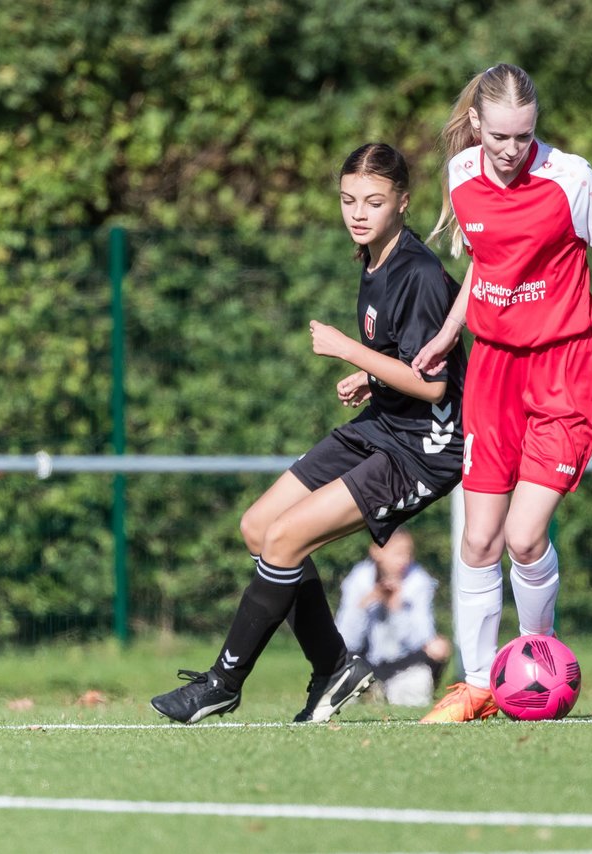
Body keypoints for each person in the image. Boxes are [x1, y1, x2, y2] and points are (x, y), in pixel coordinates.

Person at [151, 142, 466, 724]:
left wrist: (352, 351)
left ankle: (224, 681)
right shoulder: (372, 259)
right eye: (348, 200)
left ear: (403, 201)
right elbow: (407, 360)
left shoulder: (418, 272)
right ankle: (334, 668)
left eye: (374, 201)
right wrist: (370, 378)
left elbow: (435, 388)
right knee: (259, 528)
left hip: (424, 449)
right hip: (385, 423)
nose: (358, 213)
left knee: (286, 540)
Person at [411, 63, 592, 723]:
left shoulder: (571, 179)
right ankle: (478, 686)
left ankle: (540, 664)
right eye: (500, 137)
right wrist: (447, 334)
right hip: (493, 371)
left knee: (523, 535)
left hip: (566, 367)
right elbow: (487, 269)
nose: (512, 150)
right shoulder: (461, 177)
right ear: (478, 125)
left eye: (524, 135)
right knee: (478, 538)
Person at [335, 529, 451, 707]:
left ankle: (383, 690)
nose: (404, 560)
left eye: (408, 553)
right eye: (398, 553)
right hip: (365, 659)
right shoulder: (359, 579)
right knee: (337, 662)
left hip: (402, 662)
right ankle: (370, 688)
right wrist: (367, 603)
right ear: (376, 552)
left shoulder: (419, 581)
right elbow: (345, 639)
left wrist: (396, 608)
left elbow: (422, 639)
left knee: (439, 647)